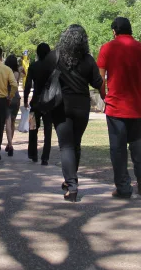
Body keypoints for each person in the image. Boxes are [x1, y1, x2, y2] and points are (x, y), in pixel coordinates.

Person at [97, 17, 141, 199]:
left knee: (118, 148)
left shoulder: (107, 48)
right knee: (137, 141)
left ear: (114, 31)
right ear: (130, 30)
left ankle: (123, 187)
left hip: (116, 106)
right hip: (137, 106)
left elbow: (100, 78)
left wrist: (103, 96)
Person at [47, 25, 105, 202]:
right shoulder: (88, 60)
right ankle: (71, 181)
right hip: (81, 106)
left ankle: (72, 186)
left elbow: (44, 77)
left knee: (66, 146)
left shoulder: (55, 57)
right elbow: (97, 82)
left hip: (61, 105)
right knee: (76, 144)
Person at [24, 43, 53, 165]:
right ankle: (45, 157)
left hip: (35, 102)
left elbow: (28, 84)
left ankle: (33, 154)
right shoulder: (52, 67)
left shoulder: (33, 66)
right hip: (48, 103)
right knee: (48, 130)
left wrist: (25, 99)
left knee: (32, 129)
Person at [4, 54, 22, 157]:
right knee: (13, 122)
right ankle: (9, 143)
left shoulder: (7, 72)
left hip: (8, 97)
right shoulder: (17, 72)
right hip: (16, 98)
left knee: (7, 121)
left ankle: (10, 145)